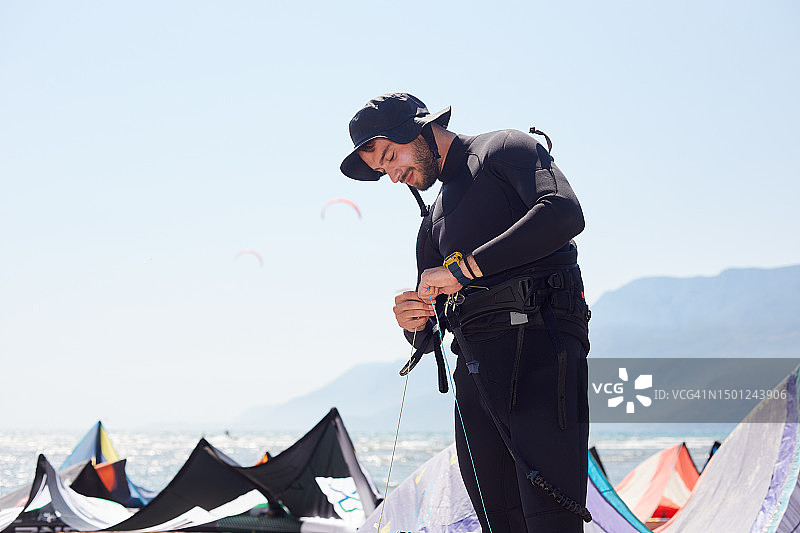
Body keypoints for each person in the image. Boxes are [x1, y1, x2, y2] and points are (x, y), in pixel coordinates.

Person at [340, 93, 591, 533]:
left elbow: (564, 213)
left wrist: (465, 267)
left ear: (420, 129)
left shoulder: (504, 148)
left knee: (552, 522)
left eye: (391, 156)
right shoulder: (431, 222)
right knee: (499, 525)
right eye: (383, 171)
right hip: (476, 377)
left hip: (542, 351)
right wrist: (414, 322)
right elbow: (431, 329)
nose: (394, 175)